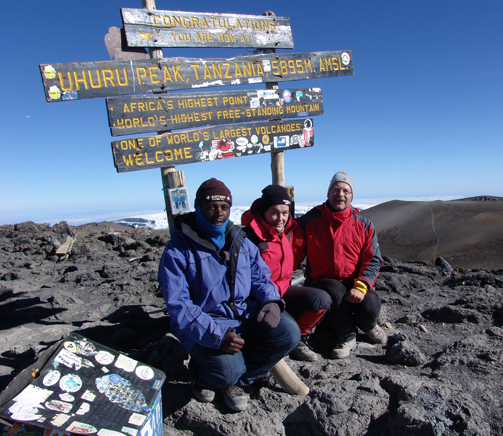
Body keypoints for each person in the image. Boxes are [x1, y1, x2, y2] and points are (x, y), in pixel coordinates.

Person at [158, 178, 299, 411]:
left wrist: (272, 301)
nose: (218, 213)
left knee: (288, 332)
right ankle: (203, 375)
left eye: (224, 207)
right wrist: (217, 335)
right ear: (199, 208)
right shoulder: (178, 250)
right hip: (205, 325)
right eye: (211, 207)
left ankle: (236, 382)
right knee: (226, 370)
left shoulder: (240, 241)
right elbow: (178, 305)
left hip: (243, 317)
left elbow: (260, 278)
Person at [293, 172, 386, 359]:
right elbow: (293, 255)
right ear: (328, 192)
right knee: (332, 286)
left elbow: (373, 259)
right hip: (321, 284)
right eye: (336, 189)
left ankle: (369, 325)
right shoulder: (310, 222)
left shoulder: (363, 224)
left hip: (354, 283)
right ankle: (348, 336)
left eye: (346, 190)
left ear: (351, 196)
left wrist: (361, 285)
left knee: (369, 305)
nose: (340, 194)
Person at [242, 185, 332, 362]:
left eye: (285, 212)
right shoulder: (250, 237)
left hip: (282, 290)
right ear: (263, 211)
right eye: (274, 212)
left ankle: (297, 339)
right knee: (288, 328)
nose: (280, 218)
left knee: (322, 300)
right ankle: (284, 338)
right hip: (260, 299)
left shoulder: (288, 232)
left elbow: (311, 218)